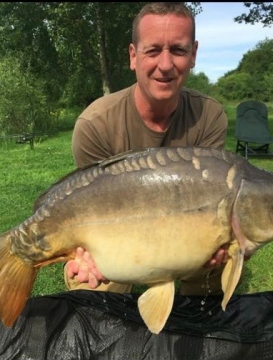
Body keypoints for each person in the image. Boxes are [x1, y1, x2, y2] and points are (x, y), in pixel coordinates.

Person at [64, 2, 242, 296]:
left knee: (221, 256)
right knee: (89, 284)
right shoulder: (95, 124)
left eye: (178, 50)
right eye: (153, 50)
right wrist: (81, 251)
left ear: (193, 54)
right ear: (133, 56)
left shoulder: (209, 116)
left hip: (186, 233)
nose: (165, 64)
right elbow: (85, 209)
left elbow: (215, 203)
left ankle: (193, 322)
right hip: (115, 235)